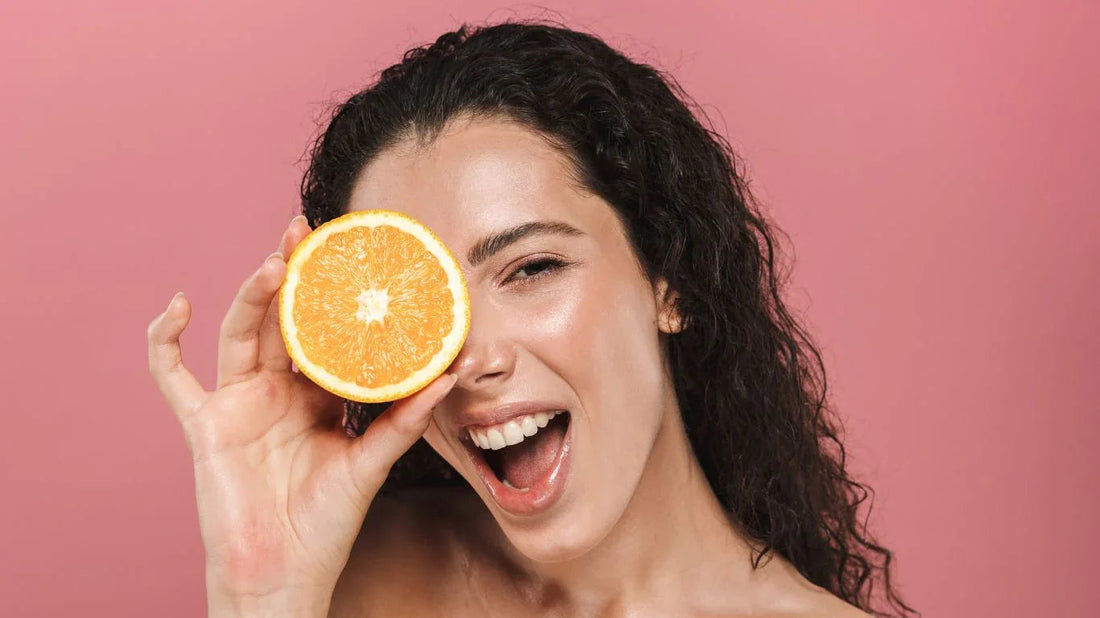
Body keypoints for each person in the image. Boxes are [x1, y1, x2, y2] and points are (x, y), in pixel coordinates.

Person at [147, 20, 915, 617]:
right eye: (431, 310)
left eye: (532, 269)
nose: (470, 357)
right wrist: (263, 595)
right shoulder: (344, 580)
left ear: (670, 279)